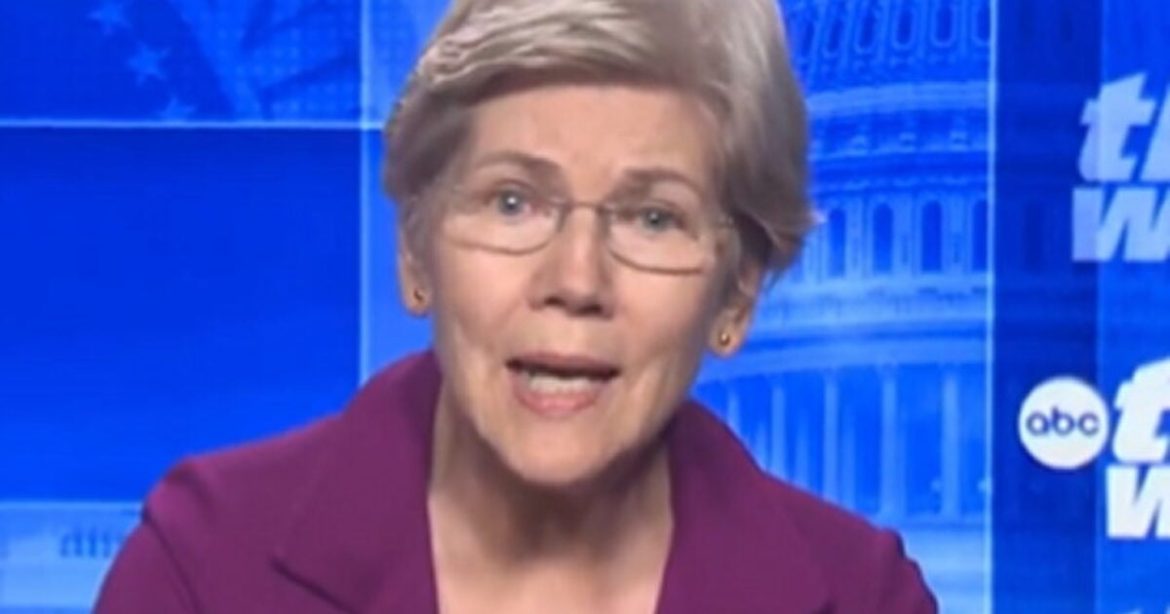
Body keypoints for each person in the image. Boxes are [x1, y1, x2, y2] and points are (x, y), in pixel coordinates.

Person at [96, 0, 938, 612]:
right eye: (512, 202)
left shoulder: (862, 598)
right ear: (415, 249)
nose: (575, 279)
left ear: (738, 292)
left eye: (652, 218)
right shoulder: (206, 572)